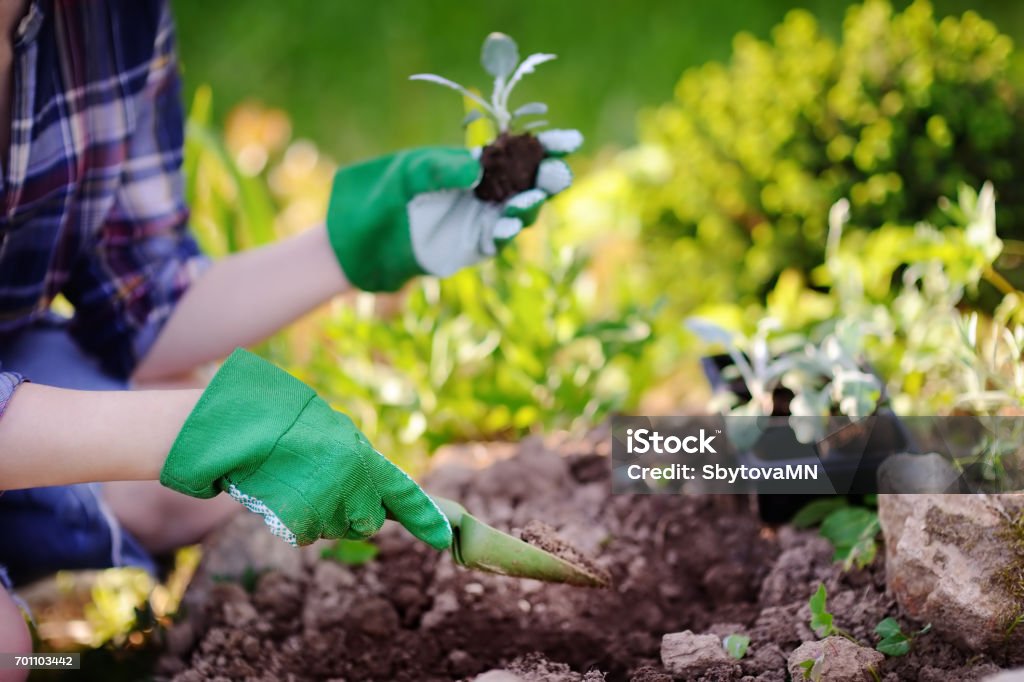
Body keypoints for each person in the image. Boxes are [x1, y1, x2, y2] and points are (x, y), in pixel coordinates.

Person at [0, 0, 580, 667]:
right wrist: (206, 428)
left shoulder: (108, 19)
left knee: (176, 499)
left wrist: (346, 249)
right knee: (8, 654)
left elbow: (141, 304)